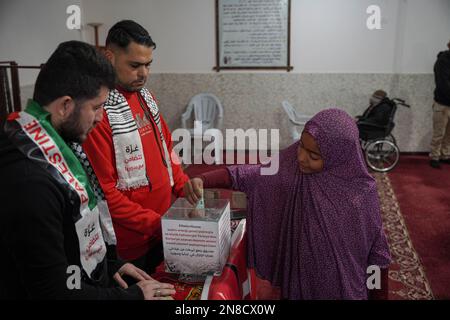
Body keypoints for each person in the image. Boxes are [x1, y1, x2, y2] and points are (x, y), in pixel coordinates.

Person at [0, 41, 175, 299]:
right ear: (65, 106)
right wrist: (134, 296)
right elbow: (53, 291)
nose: (101, 117)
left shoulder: (49, 141)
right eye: (96, 107)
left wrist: (108, 265)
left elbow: (72, 233)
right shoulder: (30, 181)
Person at [186, 109, 392, 299]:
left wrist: (378, 296)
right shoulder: (290, 166)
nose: (301, 158)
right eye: (301, 145)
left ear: (338, 158)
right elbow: (252, 174)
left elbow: (378, 252)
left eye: (314, 156)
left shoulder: (361, 193)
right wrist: (204, 179)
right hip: (297, 282)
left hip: (340, 288)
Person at [82, 20, 198, 273]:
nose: (144, 73)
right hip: (130, 244)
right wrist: (158, 224)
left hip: (163, 228)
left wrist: (183, 183)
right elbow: (106, 193)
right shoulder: (98, 114)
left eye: (148, 65)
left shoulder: (146, 97)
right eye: (134, 65)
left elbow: (167, 152)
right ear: (109, 57)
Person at [429, 40, 450, 169]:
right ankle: (435, 156)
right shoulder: (443, 61)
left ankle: (445, 155)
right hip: (442, 103)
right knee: (439, 133)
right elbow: (443, 84)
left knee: (449, 133)